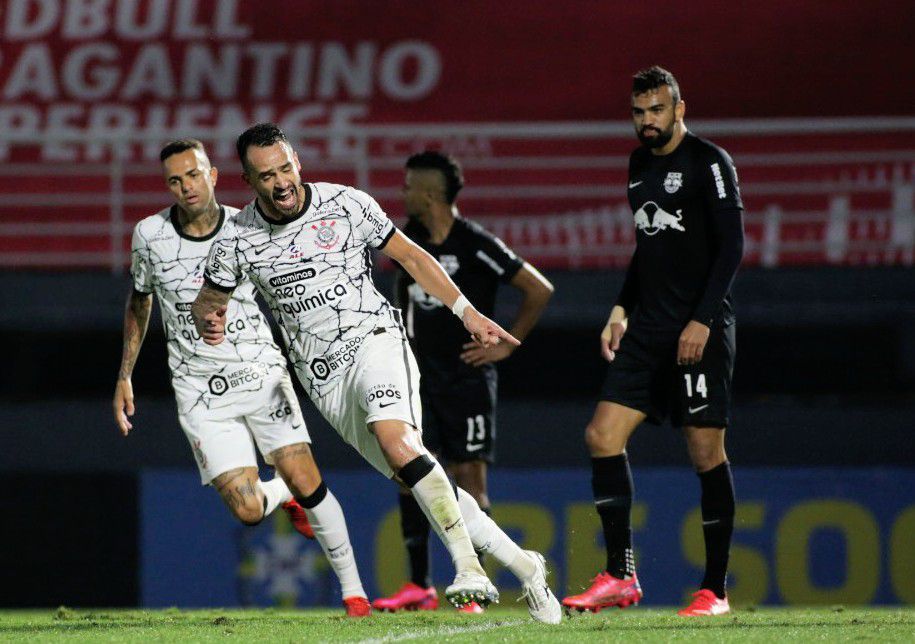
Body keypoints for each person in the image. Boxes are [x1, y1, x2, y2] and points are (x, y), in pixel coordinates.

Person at [192, 123, 562, 624]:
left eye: (284, 168)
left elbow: (410, 256)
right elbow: (209, 300)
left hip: (375, 343)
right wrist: (209, 317)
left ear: (297, 160)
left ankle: (469, 567)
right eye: (265, 175)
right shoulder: (237, 239)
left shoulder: (347, 205)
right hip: (324, 380)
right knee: (422, 479)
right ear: (248, 181)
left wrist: (467, 313)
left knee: (396, 439)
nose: (279, 182)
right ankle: (526, 565)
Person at [114, 139, 371, 617]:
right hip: (199, 391)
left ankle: (355, 594)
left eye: (193, 175)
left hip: (261, 373)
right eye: (175, 179)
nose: (186, 186)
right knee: (250, 511)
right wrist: (124, 374)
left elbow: (291, 290)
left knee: (308, 477)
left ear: (213, 176)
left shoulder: (250, 226)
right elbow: (140, 300)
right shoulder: (149, 235)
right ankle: (284, 492)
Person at [562, 67, 745, 617]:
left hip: (699, 330)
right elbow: (649, 248)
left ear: (679, 109)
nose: (647, 121)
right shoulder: (638, 164)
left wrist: (703, 320)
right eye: (639, 112)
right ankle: (620, 574)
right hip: (648, 329)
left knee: (704, 450)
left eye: (657, 110)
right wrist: (620, 309)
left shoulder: (709, 163)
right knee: (601, 435)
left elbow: (731, 247)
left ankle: (714, 590)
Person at [372, 151, 554, 614]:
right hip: (416, 380)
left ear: (431, 193)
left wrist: (507, 345)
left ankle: (479, 582)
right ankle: (419, 583)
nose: (403, 192)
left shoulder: (476, 243)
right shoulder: (406, 242)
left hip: (467, 379)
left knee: (470, 477)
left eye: (410, 185)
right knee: (408, 474)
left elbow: (538, 289)